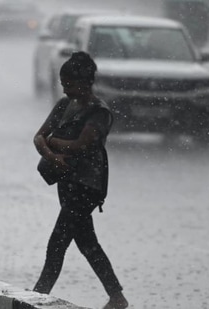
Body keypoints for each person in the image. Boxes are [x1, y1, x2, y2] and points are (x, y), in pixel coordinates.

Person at [32, 52, 129, 309]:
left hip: (87, 186)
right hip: (66, 181)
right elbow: (38, 137)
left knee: (57, 244)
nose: (64, 87)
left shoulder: (100, 113)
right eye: (63, 82)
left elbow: (81, 146)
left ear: (86, 82)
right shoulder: (65, 105)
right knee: (87, 243)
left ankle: (35, 298)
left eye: (69, 82)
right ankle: (117, 297)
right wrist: (52, 155)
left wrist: (51, 144)